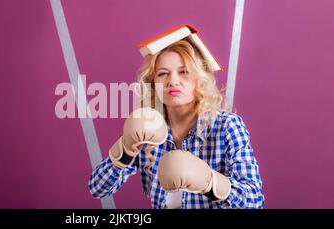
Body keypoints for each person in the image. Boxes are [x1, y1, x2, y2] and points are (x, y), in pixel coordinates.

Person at [88, 38, 264, 209]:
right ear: (153, 83)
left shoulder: (228, 126)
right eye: (163, 73)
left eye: (184, 71)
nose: (173, 81)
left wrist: (210, 183)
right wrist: (125, 150)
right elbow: (97, 188)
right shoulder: (147, 127)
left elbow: (255, 202)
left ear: (198, 79)